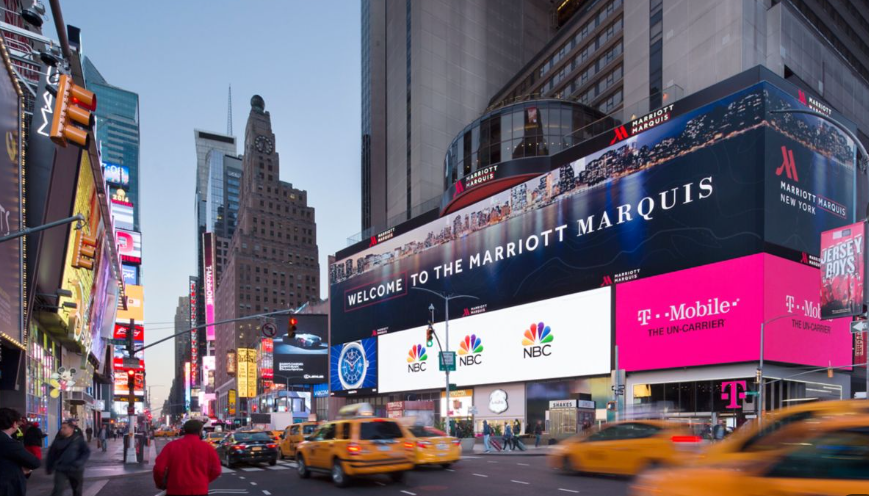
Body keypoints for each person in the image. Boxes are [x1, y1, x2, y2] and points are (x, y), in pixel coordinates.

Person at [153, 420, 221, 496]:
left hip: (175, 490)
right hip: (200, 491)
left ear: (185, 430)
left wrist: (161, 484)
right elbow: (217, 470)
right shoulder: (208, 448)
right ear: (200, 431)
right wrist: (203, 481)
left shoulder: (171, 446)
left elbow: (159, 468)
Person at [0, 408, 41, 496]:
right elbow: (35, 462)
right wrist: (21, 469)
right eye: (18, 423)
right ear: (14, 424)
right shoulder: (7, 442)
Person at [46, 421, 90, 496]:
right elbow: (51, 454)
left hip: (75, 469)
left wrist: (79, 462)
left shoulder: (78, 439)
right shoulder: (57, 440)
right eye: (61, 428)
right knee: (58, 490)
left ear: (71, 429)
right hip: (61, 469)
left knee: (77, 490)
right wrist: (49, 467)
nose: (62, 430)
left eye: (64, 428)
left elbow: (86, 452)